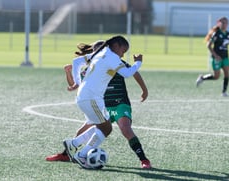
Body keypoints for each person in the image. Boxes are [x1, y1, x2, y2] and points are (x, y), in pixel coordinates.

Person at [46, 40, 151, 169]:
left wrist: (144, 90)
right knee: (85, 129)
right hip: (101, 104)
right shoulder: (92, 67)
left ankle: (144, 160)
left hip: (119, 103)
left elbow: (132, 72)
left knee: (125, 128)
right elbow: (75, 84)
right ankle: (67, 154)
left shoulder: (113, 61)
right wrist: (68, 73)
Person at [196, 16, 229, 97]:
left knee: (227, 73)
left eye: (226, 23)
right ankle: (202, 78)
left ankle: (224, 92)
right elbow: (208, 45)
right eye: (223, 22)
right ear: (219, 23)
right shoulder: (216, 34)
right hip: (217, 58)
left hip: (225, 57)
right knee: (216, 76)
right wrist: (215, 55)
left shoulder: (228, 35)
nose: (225, 24)